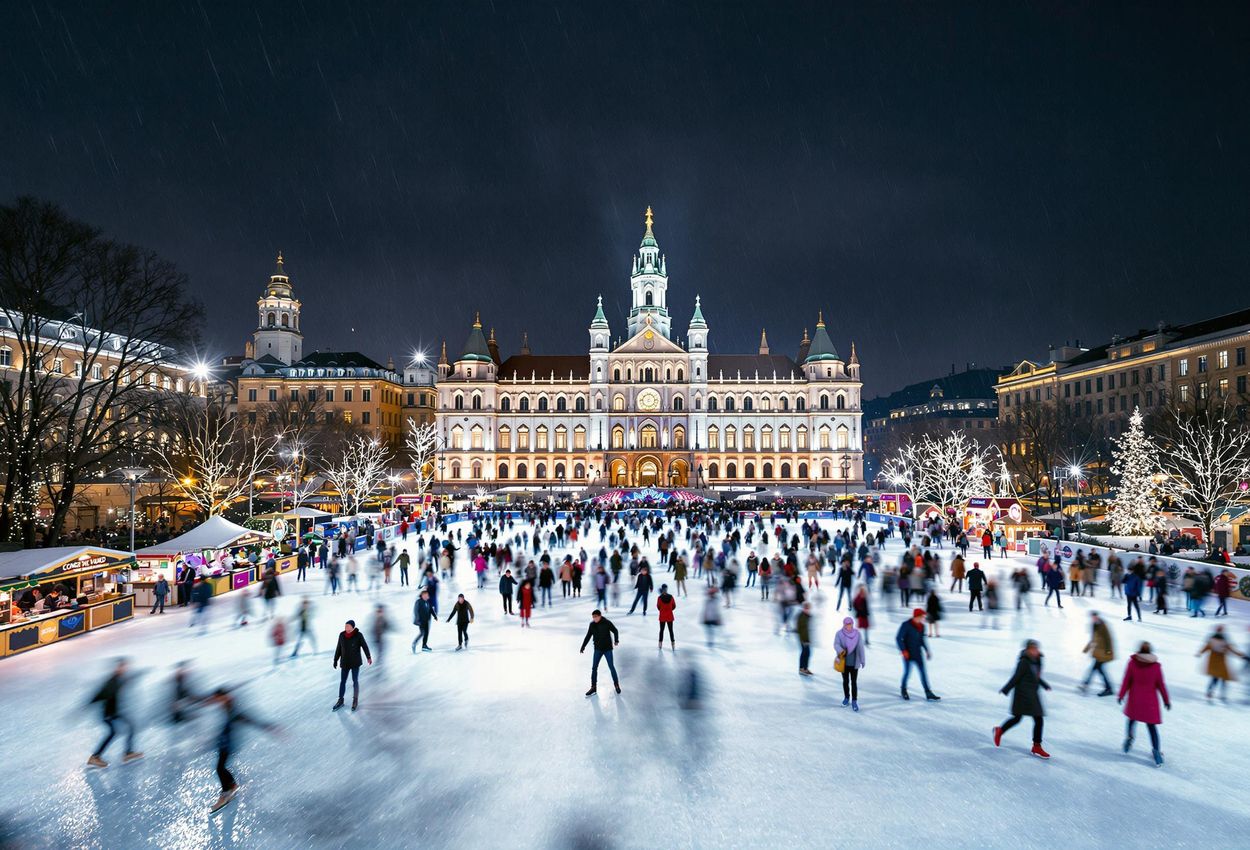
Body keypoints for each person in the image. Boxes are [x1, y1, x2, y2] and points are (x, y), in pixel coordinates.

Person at [206, 688, 277, 814]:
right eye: (216, 699)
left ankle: (226, 793)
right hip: (224, 743)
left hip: (228, 745)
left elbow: (248, 719)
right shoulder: (226, 707)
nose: (217, 701)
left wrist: (268, 727)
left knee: (220, 768)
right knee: (221, 767)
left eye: (218, 698)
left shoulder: (233, 710)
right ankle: (232, 785)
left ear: (225, 697)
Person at [993, 639, 1052, 759]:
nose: (1035, 651)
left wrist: (1044, 684)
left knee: (1035, 719)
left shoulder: (1038, 660)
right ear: (1027, 650)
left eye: (1036, 649)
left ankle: (1036, 746)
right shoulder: (1024, 662)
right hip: (1023, 694)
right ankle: (1000, 731)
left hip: (1033, 694)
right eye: (1032, 649)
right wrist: (1006, 689)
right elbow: (1016, 677)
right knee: (1020, 718)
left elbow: (1035, 676)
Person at [1119, 641, 1170, 767]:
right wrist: (1166, 700)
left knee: (1131, 720)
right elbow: (1161, 685)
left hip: (1135, 699)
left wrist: (1121, 694)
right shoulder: (1156, 666)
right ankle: (1156, 752)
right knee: (1151, 727)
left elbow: (1127, 680)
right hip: (1149, 702)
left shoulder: (1132, 663)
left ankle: (1129, 740)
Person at [86, 659, 143, 768]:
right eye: (122, 667)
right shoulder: (111, 682)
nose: (124, 669)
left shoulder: (118, 679)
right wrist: (86, 706)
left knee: (130, 727)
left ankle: (128, 753)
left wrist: (136, 676)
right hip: (109, 714)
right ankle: (95, 757)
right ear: (117, 668)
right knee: (113, 733)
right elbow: (100, 694)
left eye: (125, 667)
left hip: (115, 712)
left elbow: (124, 683)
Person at [895, 608, 940, 701]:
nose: (923, 618)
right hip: (908, 654)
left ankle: (928, 692)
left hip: (918, 654)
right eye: (921, 616)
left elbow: (922, 640)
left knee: (923, 673)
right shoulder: (906, 625)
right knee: (907, 673)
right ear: (916, 616)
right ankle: (903, 689)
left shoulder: (922, 627)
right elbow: (898, 638)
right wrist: (904, 651)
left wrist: (927, 650)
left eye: (923, 617)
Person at [332, 619, 373, 711]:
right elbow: (338, 648)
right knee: (343, 681)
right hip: (345, 663)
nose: (346, 628)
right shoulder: (342, 635)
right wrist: (335, 660)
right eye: (345, 626)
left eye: (348, 626)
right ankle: (340, 700)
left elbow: (365, 646)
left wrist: (368, 657)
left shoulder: (358, 635)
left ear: (352, 627)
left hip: (355, 663)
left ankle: (355, 700)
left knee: (355, 681)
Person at [1197, 624, 1245, 701]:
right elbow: (1231, 649)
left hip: (1215, 662)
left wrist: (1200, 653)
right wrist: (1241, 655)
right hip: (1220, 662)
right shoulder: (1223, 640)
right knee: (1221, 679)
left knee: (1215, 678)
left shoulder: (1212, 639)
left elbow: (1206, 647)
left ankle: (1211, 692)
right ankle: (1219, 694)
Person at [579, 609, 621, 696]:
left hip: (607, 649)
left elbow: (615, 630)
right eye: (593, 617)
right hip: (598, 649)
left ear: (600, 616)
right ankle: (593, 687)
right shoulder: (592, 625)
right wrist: (583, 646)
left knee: (611, 667)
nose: (594, 619)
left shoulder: (607, 622)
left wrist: (616, 640)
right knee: (594, 668)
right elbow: (588, 636)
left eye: (596, 617)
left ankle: (616, 684)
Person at [834, 616, 867, 711]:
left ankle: (854, 701)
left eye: (850, 624)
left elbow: (861, 647)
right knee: (845, 682)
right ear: (844, 624)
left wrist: (863, 660)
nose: (848, 626)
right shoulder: (839, 634)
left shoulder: (857, 634)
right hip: (843, 663)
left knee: (854, 682)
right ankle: (846, 698)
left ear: (852, 624)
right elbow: (836, 644)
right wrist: (841, 650)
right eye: (847, 624)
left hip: (854, 663)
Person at [1080, 612, 1115, 696]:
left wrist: (1108, 651)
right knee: (1098, 669)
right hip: (1098, 652)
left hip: (1104, 653)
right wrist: (1086, 649)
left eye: (1095, 617)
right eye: (1092, 617)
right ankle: (1107, 688)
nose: (1093, 618)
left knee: (1096, 669)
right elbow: (1093, 639)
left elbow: (1108, 639)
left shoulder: (1103, 625)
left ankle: (1107, 688)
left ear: (1097, 617)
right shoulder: (1094, 625)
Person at [656, 584, 677, 650]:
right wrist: (670, 610)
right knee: (671, 630)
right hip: (669, 616)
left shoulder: (659, 598)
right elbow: (674, 606)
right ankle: (673, 644)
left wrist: (662, 610)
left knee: (661, 630)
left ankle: (660, 643)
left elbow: (658, 606)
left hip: (662, 616)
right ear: (667, 589)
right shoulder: (671, 597)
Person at [796, 602, 814, 676]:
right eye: (806, 608)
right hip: (803, 639)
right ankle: (802, 669)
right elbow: (800, 629)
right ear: (804, 608)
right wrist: (804, 640)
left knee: (807, 653)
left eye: (808, 609)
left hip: (807, 639)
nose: (807, 610)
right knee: (804, 653)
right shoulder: (801, 616)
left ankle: (805, 668)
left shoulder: (807, 616)